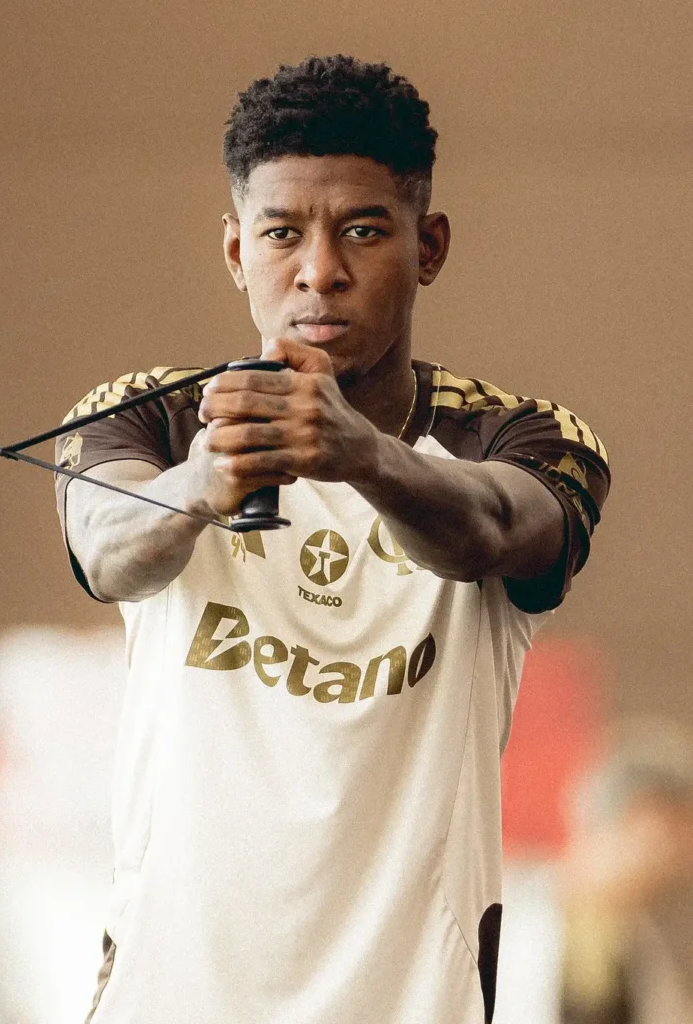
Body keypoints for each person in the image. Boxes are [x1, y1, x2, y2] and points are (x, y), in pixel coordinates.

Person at [55, 55, 610, 1023]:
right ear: (236, 252)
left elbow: (494, 528)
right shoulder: (152, 419)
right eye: (281, 233)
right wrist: (205, 483)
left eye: (362, 230)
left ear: (428, 245)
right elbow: (107, 545)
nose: (319, 271)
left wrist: (362, 456)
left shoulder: (522, 436)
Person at [498, 720, 693, 1024]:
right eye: (674, 832)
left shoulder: (637, 945)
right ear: (640, 815)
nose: (681, 858)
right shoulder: (504, 910)